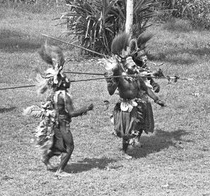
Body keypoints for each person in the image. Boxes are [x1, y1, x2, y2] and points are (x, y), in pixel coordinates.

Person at [24, 44, 93, 177]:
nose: (69, 80)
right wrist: (86, 108)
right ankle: (59, 171)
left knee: (58, 145)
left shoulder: (53, 94)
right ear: (61, 83)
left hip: (56, 123)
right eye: (66, 79)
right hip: (62, 124)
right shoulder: (64, 96)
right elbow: (72, 113)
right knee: (69, 147)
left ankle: (46, 158)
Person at [104, 32, 165, 158]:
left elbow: (146, 88)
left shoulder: (137, 76)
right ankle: (125, 151)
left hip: (135, 105)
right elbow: (110, 91)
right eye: (131, 65)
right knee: (126, 132)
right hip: (125, 106)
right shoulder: (120, 77)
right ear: (126, 66)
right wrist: (113, 79)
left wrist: (157, 100)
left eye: (134, 65)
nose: (134, 67)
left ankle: (132, 141)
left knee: (134, 127)